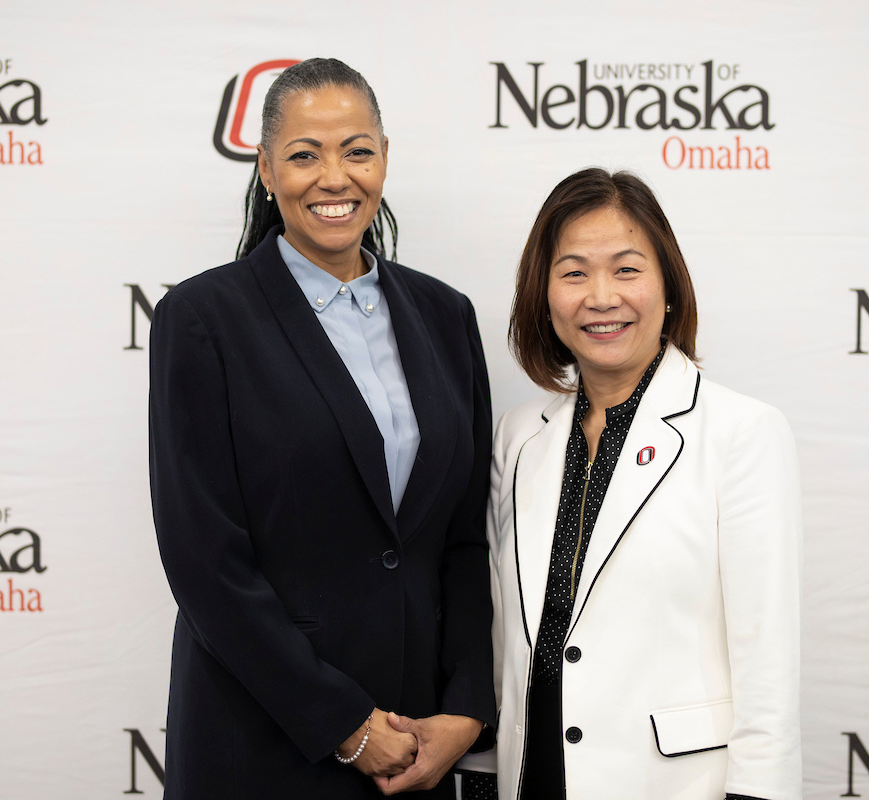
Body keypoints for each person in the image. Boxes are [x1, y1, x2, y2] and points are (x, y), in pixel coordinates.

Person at [148, 58, 494, 799]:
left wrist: (466, 707)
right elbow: (204, 559)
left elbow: (464, 539)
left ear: (384, 158)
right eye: (305, 155)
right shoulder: (203, 319)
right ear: (266, 169)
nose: (335, 178)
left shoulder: (446, 316)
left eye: (357, 151)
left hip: (416, 748)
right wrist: (345, 724)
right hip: (261, 740)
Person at [459, 168, 802, 800]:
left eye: (626, 269)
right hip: (532, 774)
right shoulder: (518, 436)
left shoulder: (741, 432)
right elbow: (503, 637)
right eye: (573, 273)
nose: (601, 297)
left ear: (668, 285)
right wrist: (482, 777)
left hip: (671, 783)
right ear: (543, 295)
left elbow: (768, 663)